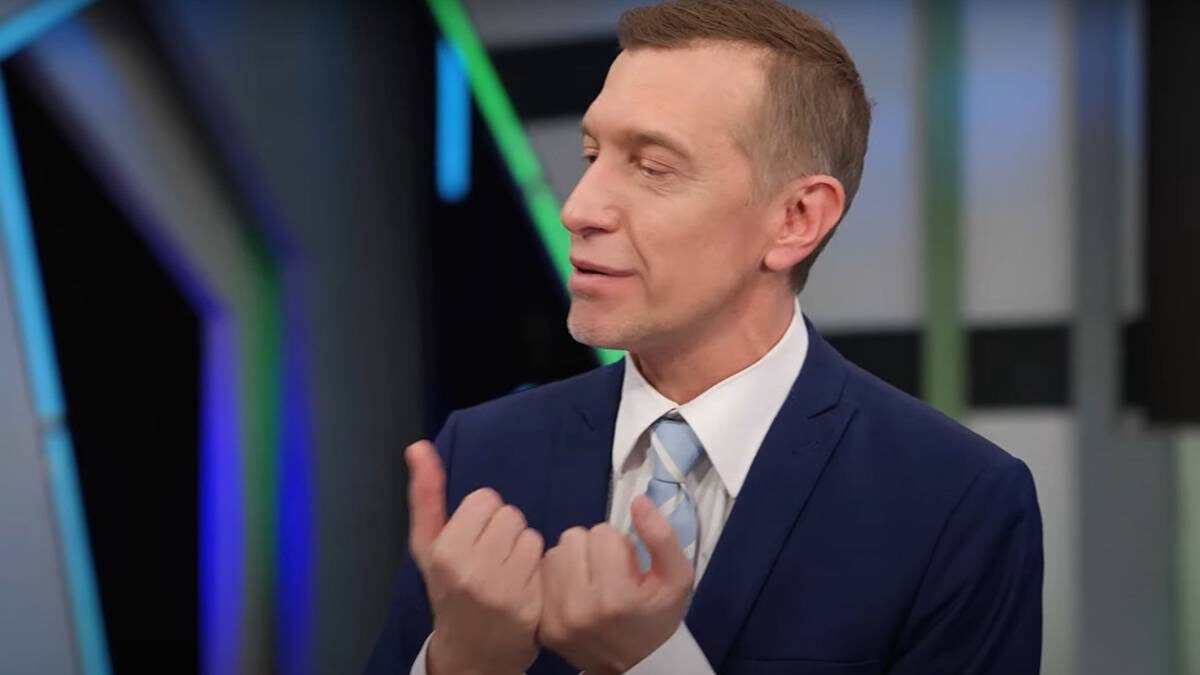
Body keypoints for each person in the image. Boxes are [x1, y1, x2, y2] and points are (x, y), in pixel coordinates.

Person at [366, 0, 1044, 673]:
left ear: (796, 218)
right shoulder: (481, 453)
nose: (579, 207)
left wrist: (652, 663)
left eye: (652, 167)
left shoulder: (958, 503)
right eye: (592, 154)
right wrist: (462, 663)